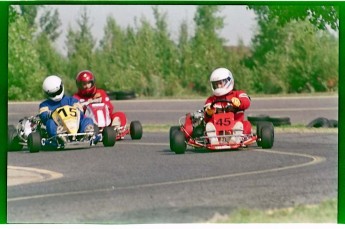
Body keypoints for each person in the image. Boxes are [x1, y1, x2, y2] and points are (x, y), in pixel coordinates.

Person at [203, 67, 252, 145]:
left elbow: (247, 102)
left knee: (243, 125)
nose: (218, 86)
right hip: (217, 130)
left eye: (220, 83)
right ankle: (214, 141)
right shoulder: (211, 99)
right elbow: (206, 117)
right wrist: (209, 112)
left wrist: (239, 102)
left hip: (235, 126)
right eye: (216, 84)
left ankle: (235, 140)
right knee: (209, 125)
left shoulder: (237, 94)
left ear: (228, 81)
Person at [39, 75, 94, 140]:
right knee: (50, 122)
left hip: (74, 124)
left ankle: (86, 132)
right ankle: (59, 136)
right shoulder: (45, 104)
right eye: (53, 94)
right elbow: (43, 116)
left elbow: (80, 111)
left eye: (58, 91)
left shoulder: (71, 100)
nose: (56, 95)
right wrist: (49, 114)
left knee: (87, 119)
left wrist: (78, 109)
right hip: (58, 126)